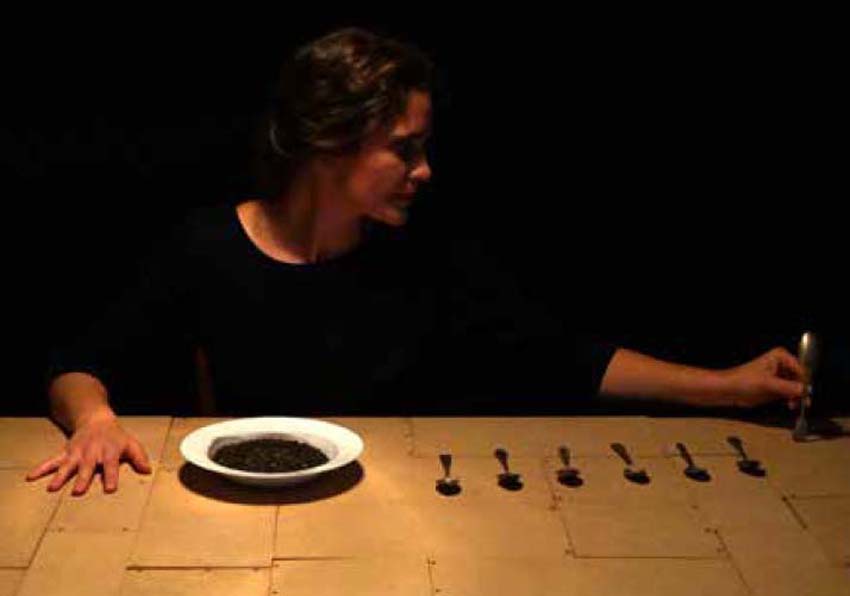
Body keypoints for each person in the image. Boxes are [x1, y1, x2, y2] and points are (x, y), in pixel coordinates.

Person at [27, 28, 806, 496]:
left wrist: (727, 387)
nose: (425, 170)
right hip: (239, 516)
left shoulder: (422, 257)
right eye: (405, 148)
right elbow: (79, 363)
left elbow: (569, 356)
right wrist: (93, 421)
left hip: (395, 508)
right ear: (332, 143)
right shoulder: (206, 246)